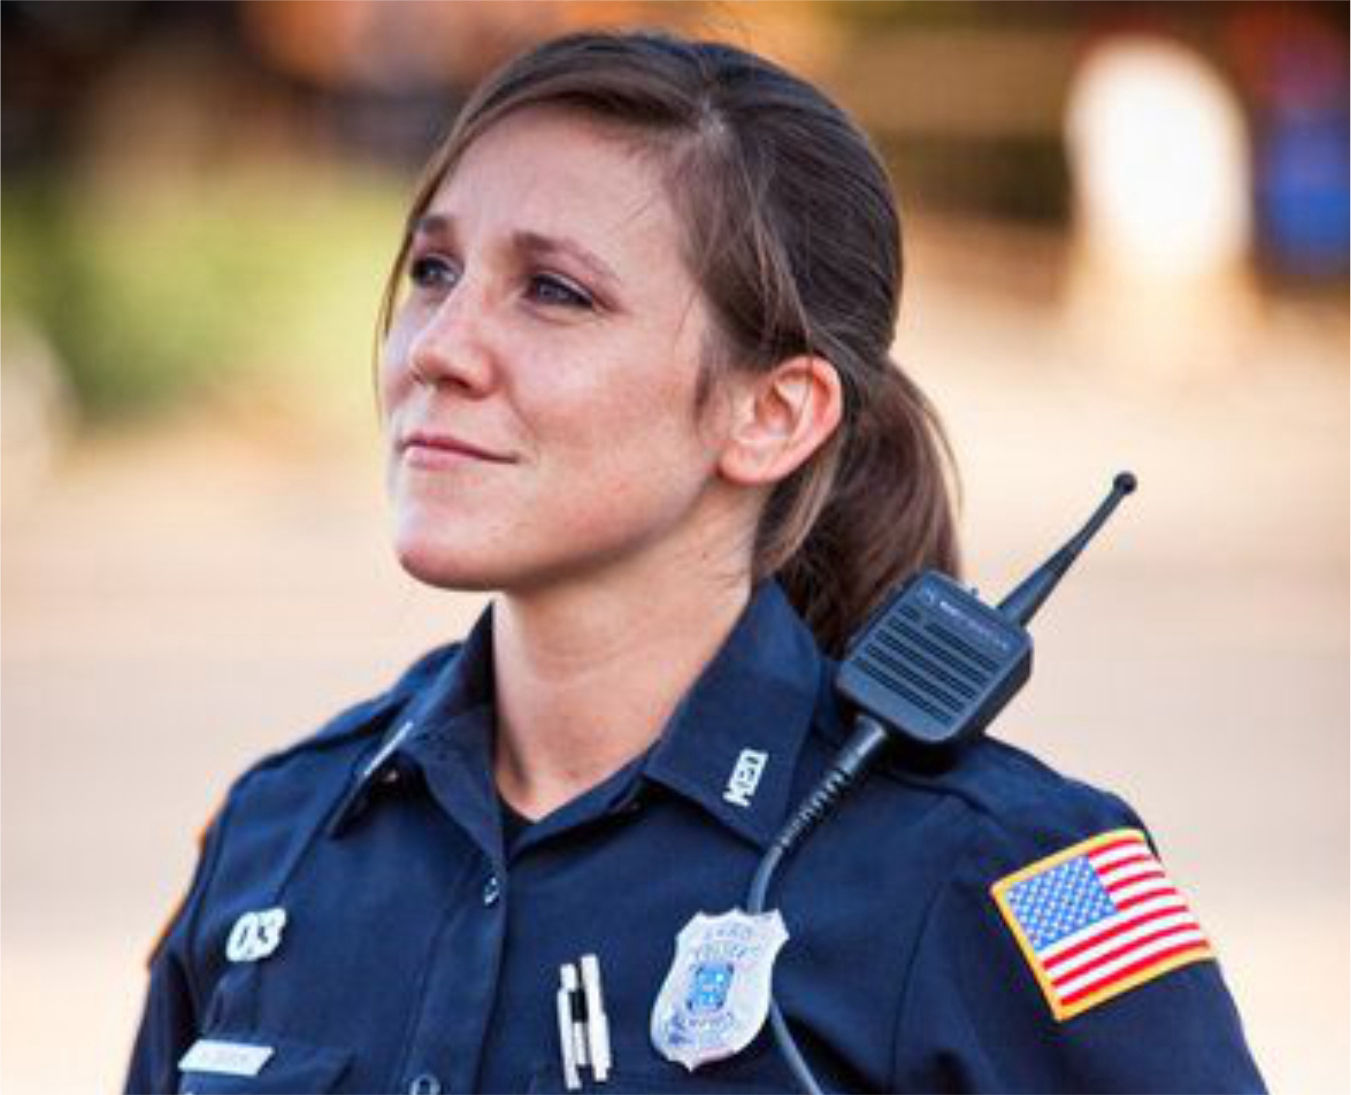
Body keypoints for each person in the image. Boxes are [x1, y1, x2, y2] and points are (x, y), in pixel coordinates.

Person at [125, 29, 1264, 1095]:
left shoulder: (1009, 872)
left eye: (555, 292)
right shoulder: (279, 833)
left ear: (771, 413)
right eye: (432, 271)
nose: (441, 348)